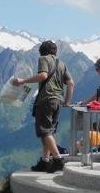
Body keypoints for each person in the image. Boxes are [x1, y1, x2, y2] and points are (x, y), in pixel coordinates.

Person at [12, 41, 74, 173]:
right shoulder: (61, 63)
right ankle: (45, 161)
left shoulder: (43, 59)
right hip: (58, 100)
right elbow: (71, 83)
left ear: (42, 51)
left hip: (46, 100)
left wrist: (22, 81)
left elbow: (43, 75)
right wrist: (67, 101)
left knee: (44, 132)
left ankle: (57, 160)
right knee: (49, 132)